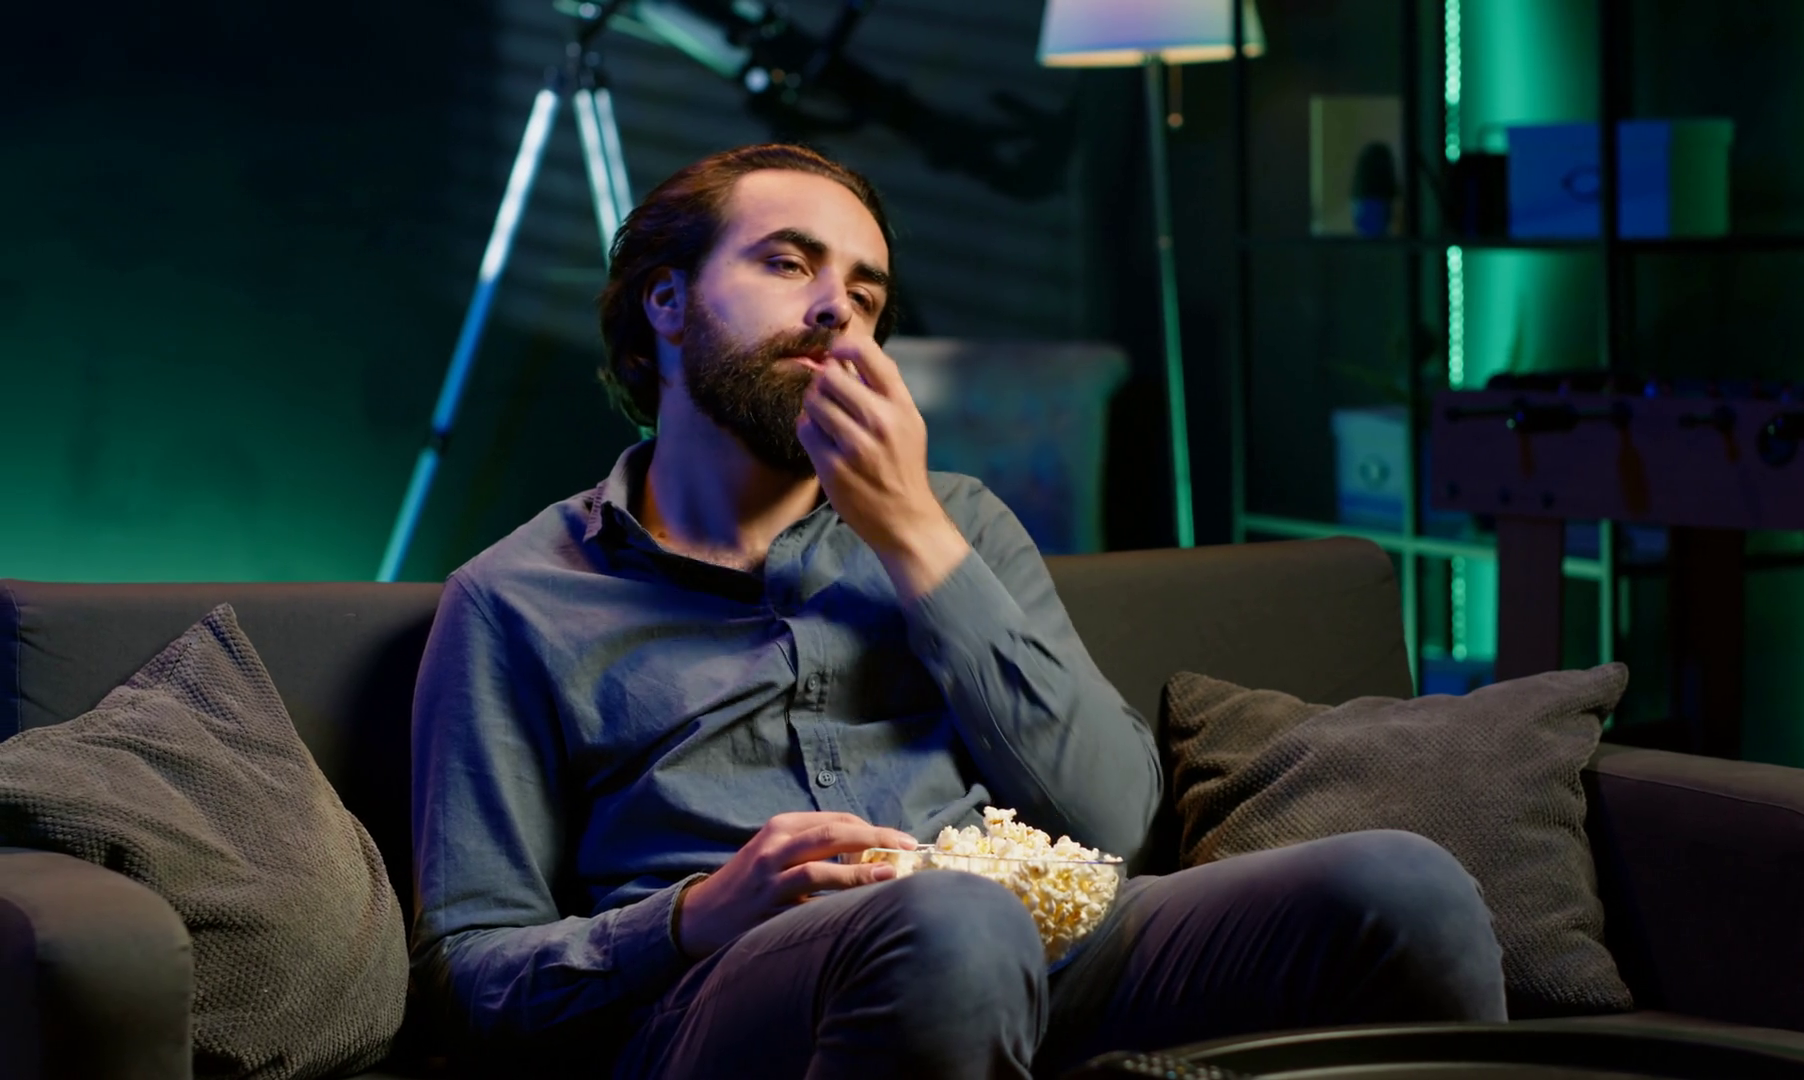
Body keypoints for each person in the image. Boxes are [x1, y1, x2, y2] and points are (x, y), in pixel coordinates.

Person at [409, 143, 1506, 1080]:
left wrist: (911, 534)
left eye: (866, 295)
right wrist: (698, 912)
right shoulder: (517, 600)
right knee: (951, 926)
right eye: (787, 262)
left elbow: (1117, 824)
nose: (837, 310)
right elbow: (468, 974)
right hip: (726, 995)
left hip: (1037, 940)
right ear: (666, 302)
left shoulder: (958, 521)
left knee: (1400, 883)